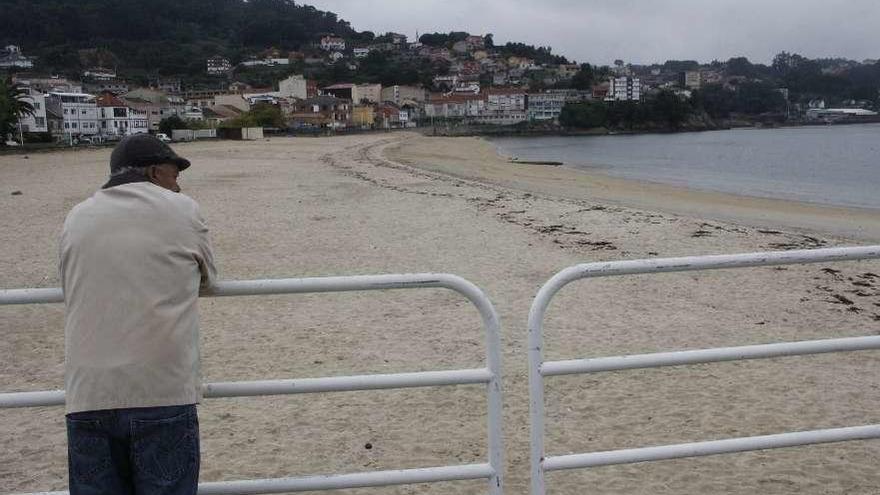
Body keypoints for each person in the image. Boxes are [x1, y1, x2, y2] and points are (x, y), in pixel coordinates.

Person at [60, 134, 216, 495]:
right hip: (160, 391)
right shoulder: (183, 209)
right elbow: (208, 280)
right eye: (175, 173)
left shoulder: (76, 215)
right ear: (154, 171)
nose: (178, 184)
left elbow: (70, 280)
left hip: (87, 395)